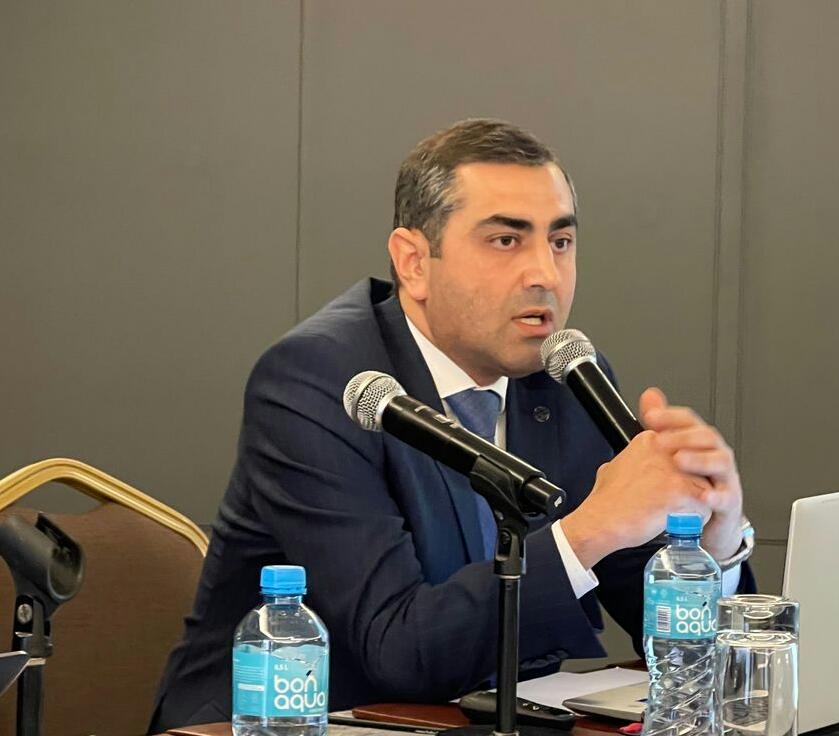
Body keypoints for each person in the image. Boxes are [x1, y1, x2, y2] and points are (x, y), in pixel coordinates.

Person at [149, 119, 755, 731]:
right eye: (506, 241)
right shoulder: (319, 382)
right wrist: (592, 528)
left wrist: (711, 542)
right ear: (414, 262)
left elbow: (653, 613)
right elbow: (397, 650)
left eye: (561, 241)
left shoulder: (567, 379)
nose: (545, 274)